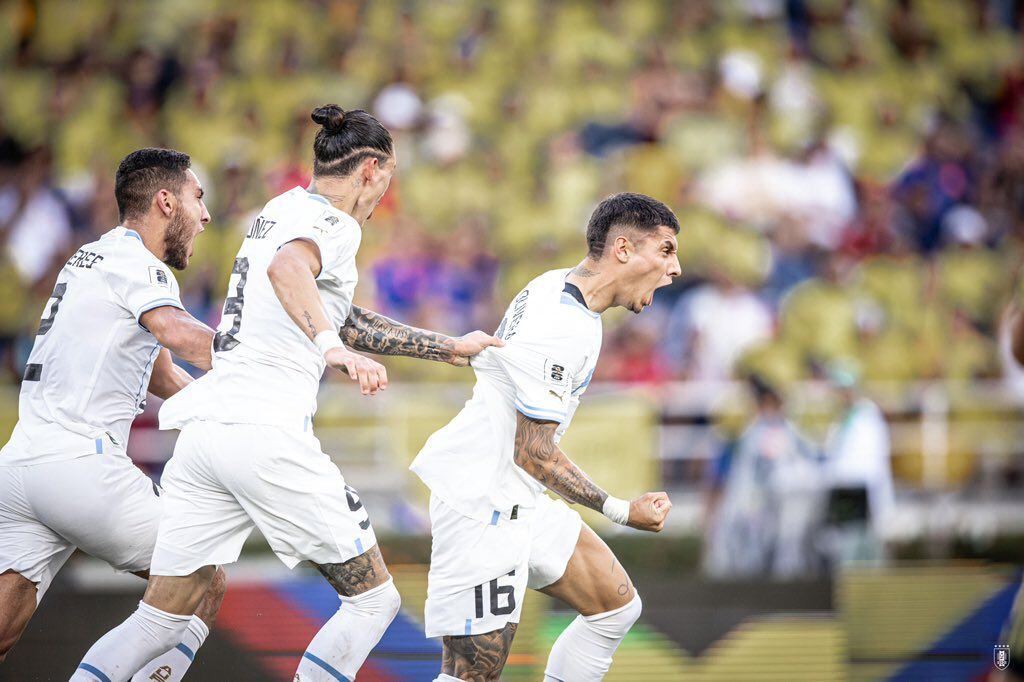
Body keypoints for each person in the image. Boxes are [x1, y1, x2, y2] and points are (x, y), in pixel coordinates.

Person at [71, 105, 502, 682]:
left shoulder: (282, 208)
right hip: (265, 433)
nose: (382, 198)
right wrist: (332, 350)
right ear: (371, 170)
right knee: (375, 602)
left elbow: (330, 310)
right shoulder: (336, 225)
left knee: (162, 620)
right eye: (388, 181)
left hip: (205, 436)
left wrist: (446, 347)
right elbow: (287, 271)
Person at [409, 192, 678, 682]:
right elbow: (533, 452)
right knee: (472, 675)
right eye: (665, 250)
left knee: (615, 608)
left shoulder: (559, 288)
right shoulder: (563, 326)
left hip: (519, 499)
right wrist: (622, 510)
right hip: (481, 504)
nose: (675, 268)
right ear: (622, 249)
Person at [0, 148, 227, 681]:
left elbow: (161, 373)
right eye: (199, 198)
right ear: (166, 202)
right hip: (80, 461)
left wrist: (221, 407)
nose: (207, 214)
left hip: (22, 464)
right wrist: (265, 363)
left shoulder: (92, 257)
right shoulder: (141, 266)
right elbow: (175, 332)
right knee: (201, 575)